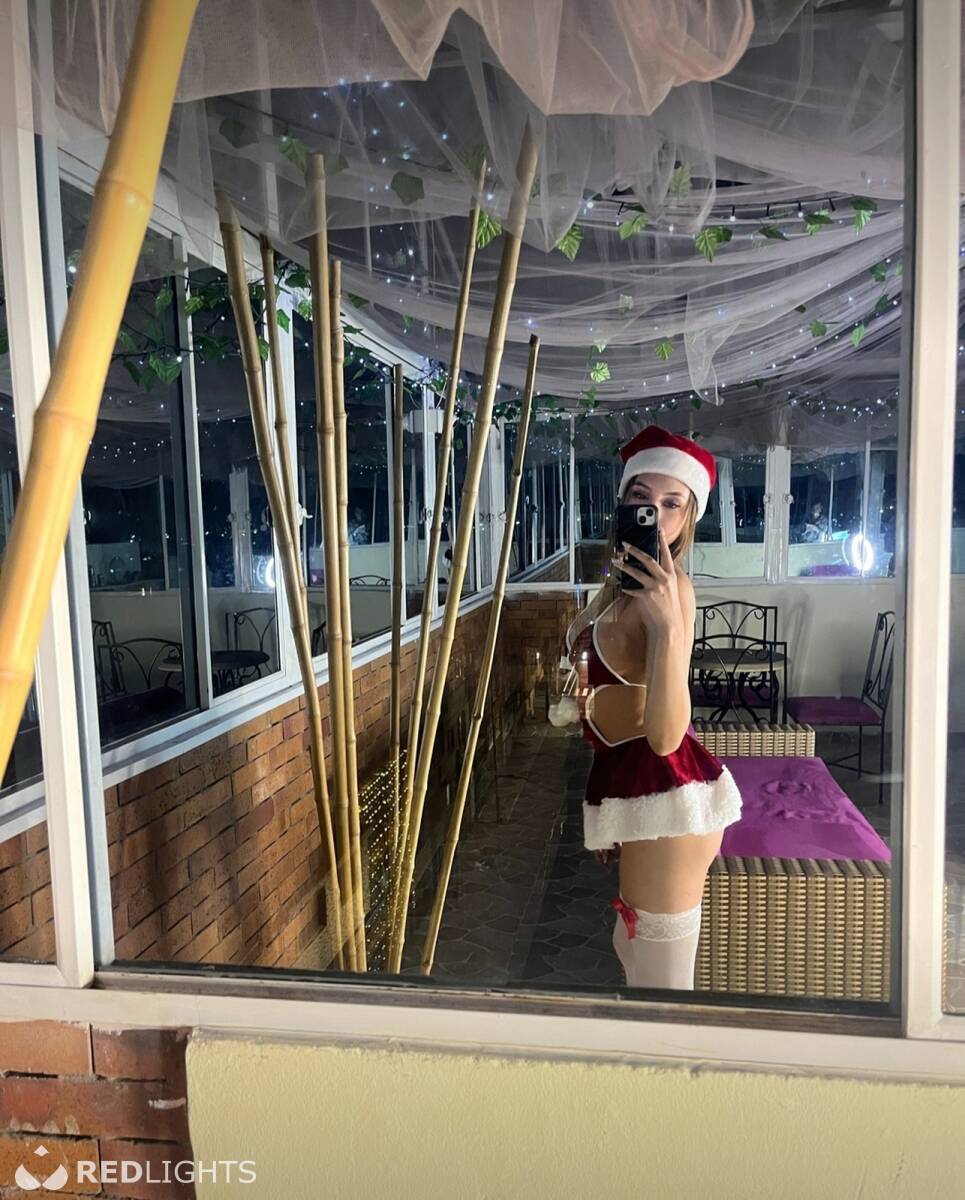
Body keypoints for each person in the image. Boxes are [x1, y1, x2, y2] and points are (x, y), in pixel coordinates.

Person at [561, 425, 742, 991]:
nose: (655, 516)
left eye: (672, 504)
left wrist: (668, 627)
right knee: (632, 952)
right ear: (622, 505)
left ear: (687, 519)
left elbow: (666, 736)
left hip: (668, 798)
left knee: (662, 991)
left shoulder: (671, 593)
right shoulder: (618, 588)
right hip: (636, 788)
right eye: (642, 499)